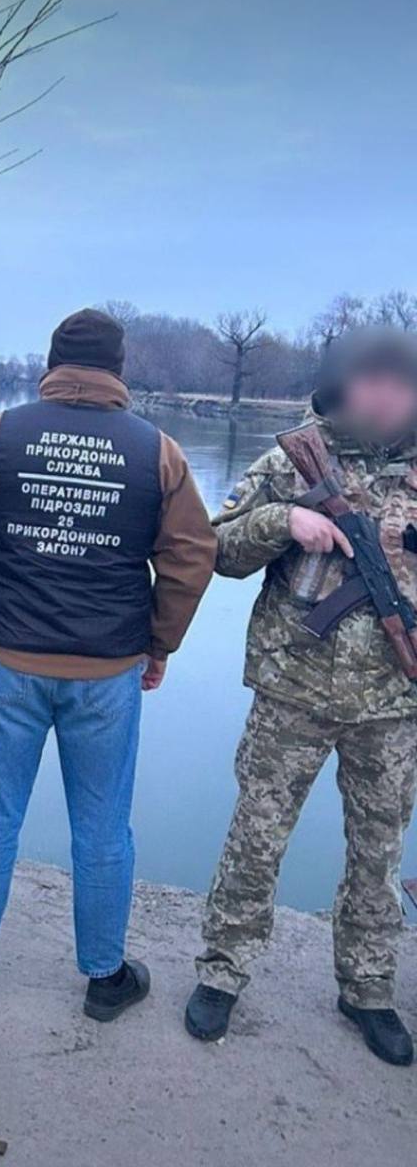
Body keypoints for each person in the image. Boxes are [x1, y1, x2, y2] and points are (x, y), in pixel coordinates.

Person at [0, 307, 216, 1014]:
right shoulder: (158, 451)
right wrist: (160, 641)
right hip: (108, 671)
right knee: (103, 828)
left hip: (9, 661)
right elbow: (192, 557)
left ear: (52, 364)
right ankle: (105, 978)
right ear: (119, 369)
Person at [186, 326, 417, 1066]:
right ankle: (223, 971)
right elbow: (214, 547)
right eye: (372, 380)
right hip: (292, 689)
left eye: (401, 382)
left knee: (379, 853)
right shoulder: (294, 459)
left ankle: (368, 988)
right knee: (257, 838)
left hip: (394, 705)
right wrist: (283, 521)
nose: (385, 395)